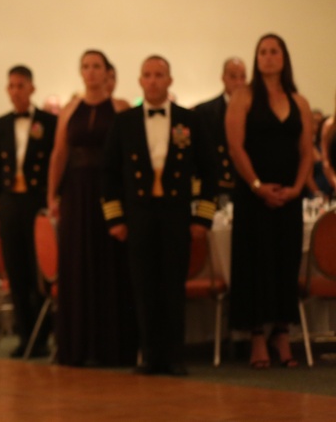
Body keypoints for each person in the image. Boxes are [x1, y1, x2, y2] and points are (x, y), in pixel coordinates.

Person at [102, 56, 217, 376]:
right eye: (147, 75)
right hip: (138, 216)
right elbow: (109, 174)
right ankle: (150, 356)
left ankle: (175, 356)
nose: (153, 81)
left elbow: (211, 171)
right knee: (143, 286)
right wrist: (116, 219)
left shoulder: (189, 120)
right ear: (139, 81)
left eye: (159, 75)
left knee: (172, 286)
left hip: (175, 214)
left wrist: (202, 218)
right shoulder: (123, 122)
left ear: (170, 80)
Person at [226, 33, 314, 369]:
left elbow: (307, 151)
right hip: (253, 196)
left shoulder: (299, 101)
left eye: (274, 51)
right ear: (256, 58)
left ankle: (282, 333)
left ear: (284, 57)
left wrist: (296, 188)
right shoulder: (244, 96)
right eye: (262, 51)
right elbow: (236, 147)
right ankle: (257, 339)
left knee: (284, 261)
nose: (268, 57)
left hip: (289, 197)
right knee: (254, 262)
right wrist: (257, 185)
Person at [48, 49, 135, 367]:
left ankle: (114, 346)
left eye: (96, 66)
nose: (91, 72)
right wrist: (51, 196)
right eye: (85, 66)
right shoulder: (70, 110)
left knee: (111, 262)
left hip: (112, 192)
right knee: (78, 261)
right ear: (81, 72)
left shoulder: (121, 107)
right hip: (76, 193)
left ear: (107, 71)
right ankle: (78, 346)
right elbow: (59, 154)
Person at [0, 66, 57, 357]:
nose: (15, 91)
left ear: (32, 88)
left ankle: (43, 336)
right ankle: (25, 337)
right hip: (10, 205)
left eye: (21, 85)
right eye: (11, 86)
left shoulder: (49, 123)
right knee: (16, 272)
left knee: (38, 272)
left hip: (36, 204)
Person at [194, 58, 247, 209]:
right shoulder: (205, 111)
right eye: (233, 76)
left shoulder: (255, 112)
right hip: (216, 186)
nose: (238, 82)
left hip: (246, 184)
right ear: (223, 78)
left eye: (242, 76)